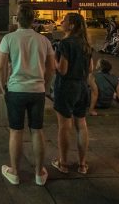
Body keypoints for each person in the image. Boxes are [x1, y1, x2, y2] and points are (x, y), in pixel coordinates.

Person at [0, 4, 55, 186]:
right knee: (37, 130)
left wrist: (3, 87)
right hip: (37, 90)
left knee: (16, 131)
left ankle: (14, 172)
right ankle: (39, 173)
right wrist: (44, 84)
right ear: (33, 19)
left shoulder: (9, 38)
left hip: (15, 89)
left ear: (17, 19)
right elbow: (51, 68)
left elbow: (0, 67)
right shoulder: (44, 41)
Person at [52, 13, 93, 175]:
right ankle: (82, 164)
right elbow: (90, 68)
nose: (61, 22)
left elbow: (62, 69)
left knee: (64, 126)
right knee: (81, 124)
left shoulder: (65, 43)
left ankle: (63, 163)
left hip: (67, 87)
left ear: (72, 25)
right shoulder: (86, 44)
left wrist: (54, 61)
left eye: (65, 21)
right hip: (83, 86)